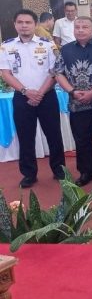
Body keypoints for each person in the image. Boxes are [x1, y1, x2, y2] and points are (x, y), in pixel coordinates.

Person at [0, 10, 65, 188]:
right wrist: (25, 91)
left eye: (28, 22)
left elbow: (55, 72)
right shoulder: (6, 46)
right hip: (22, 98)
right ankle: (29, 174)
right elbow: (5, 73)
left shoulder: (47, 44)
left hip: (47, 96)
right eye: (20, 22)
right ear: (15, 25)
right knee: (25, 136)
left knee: (54, 135)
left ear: (35, 24)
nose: (24, 25)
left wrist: (40, 93)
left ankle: (59, 170)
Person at [54, 17, 92, 186]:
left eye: (85, 27)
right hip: (77, 102)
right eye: (77, 27)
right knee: (82, 139)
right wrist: (72, 91)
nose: (80, 30)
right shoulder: (65, 50)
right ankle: (86, 172)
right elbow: (58, 73)